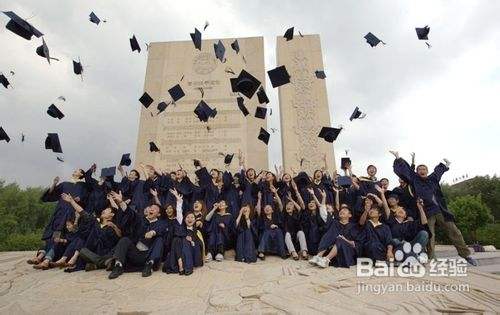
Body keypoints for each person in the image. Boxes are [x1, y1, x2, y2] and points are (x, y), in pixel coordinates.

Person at [390, 151, 477, 265]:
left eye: (424, 169)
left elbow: (438, 172)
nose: (422, 170)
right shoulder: (414, 179)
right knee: (430, 235)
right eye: (419, 169)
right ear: (417, 172)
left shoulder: (432, 179)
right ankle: (431, 259)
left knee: (454, 231)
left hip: (439, 210)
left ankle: (466, 255)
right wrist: (398, 158)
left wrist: (444, 165)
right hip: (426, 212)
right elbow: (406, 171)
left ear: (427, 171)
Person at [107, 193, 167, 279]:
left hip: (148, 255)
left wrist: (153, 232)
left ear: (159, 214)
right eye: (151, 208)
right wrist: (121, 202)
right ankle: (118, 266)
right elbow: (130, 213)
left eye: (155, 209)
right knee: (125, 240)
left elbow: (161, 229)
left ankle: (149, 265)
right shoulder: (140, 219)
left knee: (159, 239)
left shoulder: (161, 223)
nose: (151, 209)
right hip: (135, 253)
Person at [164, 189, 204, 275]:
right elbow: (179, 212)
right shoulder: (182, 227)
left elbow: (198, 247)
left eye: (192, 217)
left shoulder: (196, 232)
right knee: (176, 240)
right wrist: (179, 201)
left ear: (195, 219)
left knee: (185, 242)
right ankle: (180, 266)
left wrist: (192, 242)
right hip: (179, 249)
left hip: (192, 253)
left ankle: (186, 267)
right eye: (188, 218)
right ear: (184, 219)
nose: (190, 219)